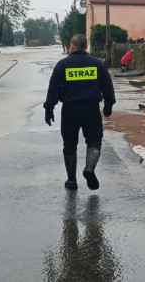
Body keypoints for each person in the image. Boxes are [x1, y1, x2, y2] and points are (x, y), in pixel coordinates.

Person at [44, 34, 116, 190]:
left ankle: (71, 181)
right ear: (86, 47)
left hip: (70, 110)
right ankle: (89, 168)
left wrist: (49, 109)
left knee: (69, 144)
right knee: (94, 140)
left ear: (71, 47)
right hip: (91, 109)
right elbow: (108, 88)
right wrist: (108, 106)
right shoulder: (97, 64)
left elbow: (53, 89)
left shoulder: (62, 65)